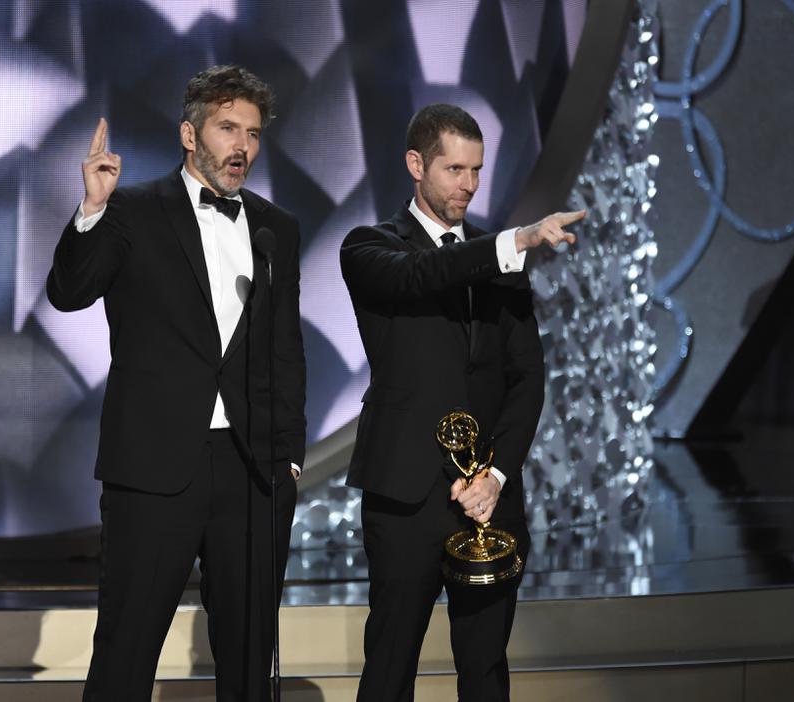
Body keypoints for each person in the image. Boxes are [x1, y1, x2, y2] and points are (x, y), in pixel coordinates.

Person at [46, 64, 306, 702]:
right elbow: (69, 292)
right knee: (127, 649)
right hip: (154, 468)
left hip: (251, 471)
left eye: (252, 132)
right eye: (226, 128)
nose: (241, 145)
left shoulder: (278, 228)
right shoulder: (132, 211)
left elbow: (285, 350)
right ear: (191, 136)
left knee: (248, 656)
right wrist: (92, 210)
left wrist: (290, 456)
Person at [340, 103, 581, 701]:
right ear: (415, 165)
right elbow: (422, 275)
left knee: (485, 667)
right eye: (454, 169)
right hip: (407, 496)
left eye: (477, 170)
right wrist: (514, 241)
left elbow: (528, 378)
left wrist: (496, 474)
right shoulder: (371, 248)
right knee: (391, 664)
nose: (469, 185)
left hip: (490, 498)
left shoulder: (499, 255)